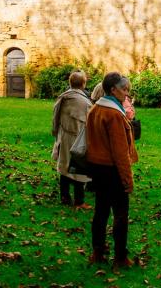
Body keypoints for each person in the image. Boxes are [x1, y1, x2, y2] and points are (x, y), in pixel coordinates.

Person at [86, 72, 138, 269]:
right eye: (123, 89)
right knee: (120, 215)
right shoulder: (113, 114)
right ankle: (120, 257)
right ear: (112, 89)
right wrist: (127, 179)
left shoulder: (96, 108)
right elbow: (119, 152)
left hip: (97, 169)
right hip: (112, 171)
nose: (126, 94)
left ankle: (98, 252)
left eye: (127, 90)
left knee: (100, 212)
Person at [51, 70, 93, 209]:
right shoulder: (84, 102)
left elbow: (55, 118)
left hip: (64, 136)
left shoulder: (63, 97)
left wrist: (56, 134)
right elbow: (91, 123)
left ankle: (65, 197)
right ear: (83, 84)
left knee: (64, 167)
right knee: (79, 169)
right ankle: (79, 201)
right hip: (78, 138)